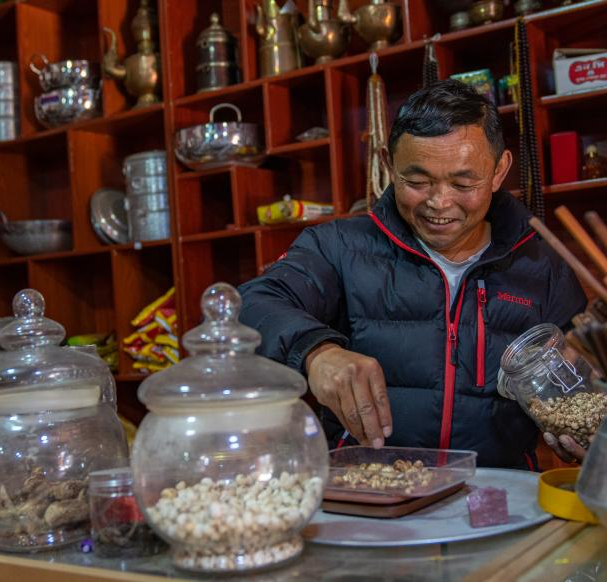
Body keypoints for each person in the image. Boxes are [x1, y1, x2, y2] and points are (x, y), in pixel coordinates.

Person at [239, 80, 588, 468]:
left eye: (463, 183)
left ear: (499, 170)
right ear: (389, 164)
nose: (439, 202)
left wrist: (582, 420)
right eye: (417, 182)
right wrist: (317, 352)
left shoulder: (542, 266)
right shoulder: (337, 247)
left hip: (496, 493)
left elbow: (584, 374)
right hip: (370, 490)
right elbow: (251, 304)